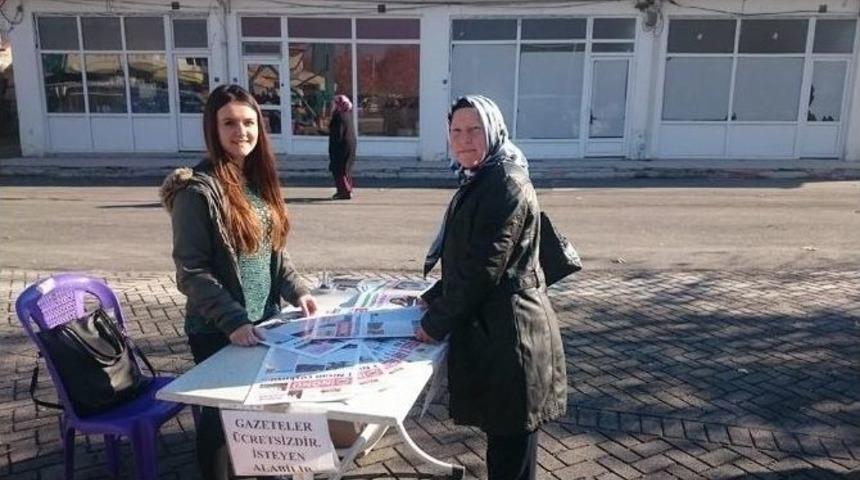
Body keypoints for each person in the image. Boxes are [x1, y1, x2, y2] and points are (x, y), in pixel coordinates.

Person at [159, 84, 318, 479]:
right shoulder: (196, 191)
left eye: (249, 123)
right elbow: (191, 271)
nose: (240, 131)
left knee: (254, 413)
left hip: (264, 323)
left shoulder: (258, 181)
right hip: (217, 328)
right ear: (213, 128)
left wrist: (297, 290)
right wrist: (232, 321)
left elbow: (273, 254)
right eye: (229, 123)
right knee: (217, 420)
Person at [415, 95, 567, 480]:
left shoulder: (505, 181)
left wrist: (436, 322)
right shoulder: (483, 176)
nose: (464, 139)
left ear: (494, 130)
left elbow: (484, 266)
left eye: (474, 129)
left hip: (514, 336)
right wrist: (431, 296)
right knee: (507, 446)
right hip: (498, 330)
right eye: (456, 131)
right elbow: (468, 257)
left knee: (510, 450)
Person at [328, 94, 357, 200]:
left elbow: (338, 133)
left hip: (341, 147)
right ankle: (344, 190)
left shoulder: (338, 116)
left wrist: (334, 147)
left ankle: (345, 191)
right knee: (345, 169)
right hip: (349, 145)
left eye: (334, 103)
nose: (332, 106)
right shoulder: (347, 115)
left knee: (339, 169)